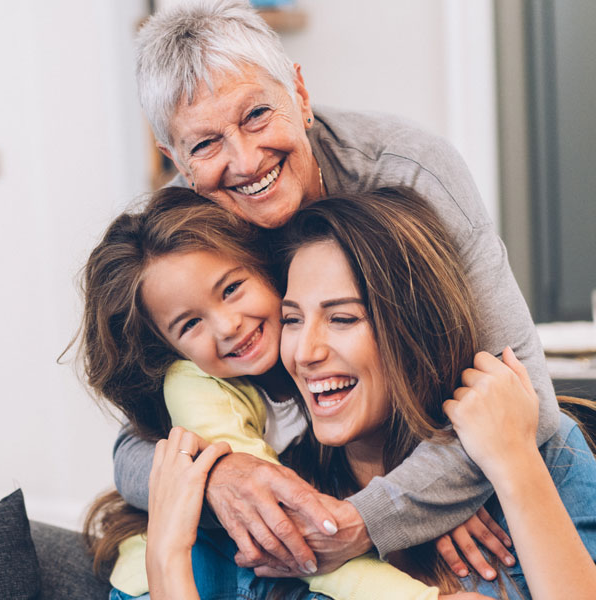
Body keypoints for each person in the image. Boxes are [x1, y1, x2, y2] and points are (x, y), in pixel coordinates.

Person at [114, 0, 560, 581]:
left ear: (299, 93)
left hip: (443, 474)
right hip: (312, 492)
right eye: (205, 145)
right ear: (176, 162)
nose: (245, 161)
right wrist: (220, 476)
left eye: (255, 115)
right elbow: (131, 449)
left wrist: (377, 512)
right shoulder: (181, 237)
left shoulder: (410, 172)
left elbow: (530, 402)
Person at [135, 188, 596, 600]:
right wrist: (166, 560)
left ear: (416, 330)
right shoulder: (289, 504)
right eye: (293, 319)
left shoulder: (547, 454)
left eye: (343, 318)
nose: (306, 353)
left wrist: (513, 463)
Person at [82, 187, 448, 600]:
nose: (227, 326)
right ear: (170, 348)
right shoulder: (195, 387)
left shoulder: (313, 360)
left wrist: (433, 507)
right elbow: (284, 524)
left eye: (231, 289)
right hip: (187, 576)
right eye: (190, 325)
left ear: (265, 268)